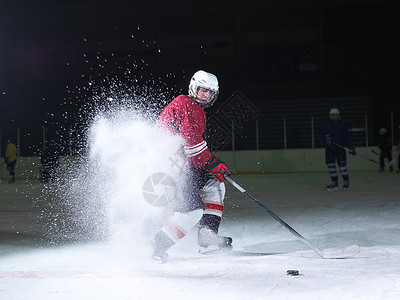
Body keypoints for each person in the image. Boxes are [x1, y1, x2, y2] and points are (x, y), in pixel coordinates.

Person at [152, 70, 232, 262]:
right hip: (173, 169)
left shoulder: (189, 106)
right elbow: (190, 141)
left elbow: (190, 146)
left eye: (210, 92)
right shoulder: (186, 104)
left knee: (215, 183)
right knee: (191, 211)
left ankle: (207, 236)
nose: (206, 95)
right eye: (203, 90)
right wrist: (210, 162)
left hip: (181, 166)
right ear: (193, 87)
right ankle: (156, 247)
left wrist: (208, 164)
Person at [319, 108, 356, 191]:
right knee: (331, 166)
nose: (334, 116)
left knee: (342, 166)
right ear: (330, 116)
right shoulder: (325, 125)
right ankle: (334, 182)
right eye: (332, 115)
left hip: (340, 148)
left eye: (336, 115)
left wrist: (351, 146)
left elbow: (347, 137)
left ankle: (346, 182)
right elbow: (321, 135)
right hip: (329, 149)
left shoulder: (343, 125)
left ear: (338, 115)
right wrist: (325, 140)